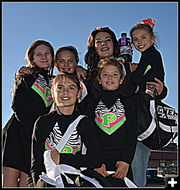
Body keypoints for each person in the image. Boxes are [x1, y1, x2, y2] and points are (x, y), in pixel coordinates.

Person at [29, 72, 103, 187]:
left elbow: (96, 159)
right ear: (52, 93)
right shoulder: (42, 122)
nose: (65, 92)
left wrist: (62, 158)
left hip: (76, 181)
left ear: (79, 93)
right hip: (49, 181)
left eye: (71, 87)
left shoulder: (84, 122)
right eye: (60, 87)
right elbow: (36, 163)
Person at [3, 40, 54, 187]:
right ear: (32, 58)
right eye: (39, 54)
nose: (44, 57)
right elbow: (17, 105)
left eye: (47, 53)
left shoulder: (55, 81)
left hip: (36, 136)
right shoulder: (26, 77)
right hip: (18, 132)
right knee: (10, 181)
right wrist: (33, 132)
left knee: (29, 180)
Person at [83, 58, 137, 187]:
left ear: (121, 79)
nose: (110, 78)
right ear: (99, 80)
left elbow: (132, 133)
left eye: (114, 74)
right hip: (99, 164)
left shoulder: (128, 103)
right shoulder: (92, 104)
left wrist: (126, 161)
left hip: (121, 165)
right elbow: (89, 135)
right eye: (105, 74)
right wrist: (95, 161)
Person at [128, 18, 168, 187]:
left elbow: (137, 79)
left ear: (153, 39)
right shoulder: (151, 55)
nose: (139, 42)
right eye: (135, 39)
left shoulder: (149, 54)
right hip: (147, 100)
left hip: (145, 106)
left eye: (143, 37)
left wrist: (130, 70)